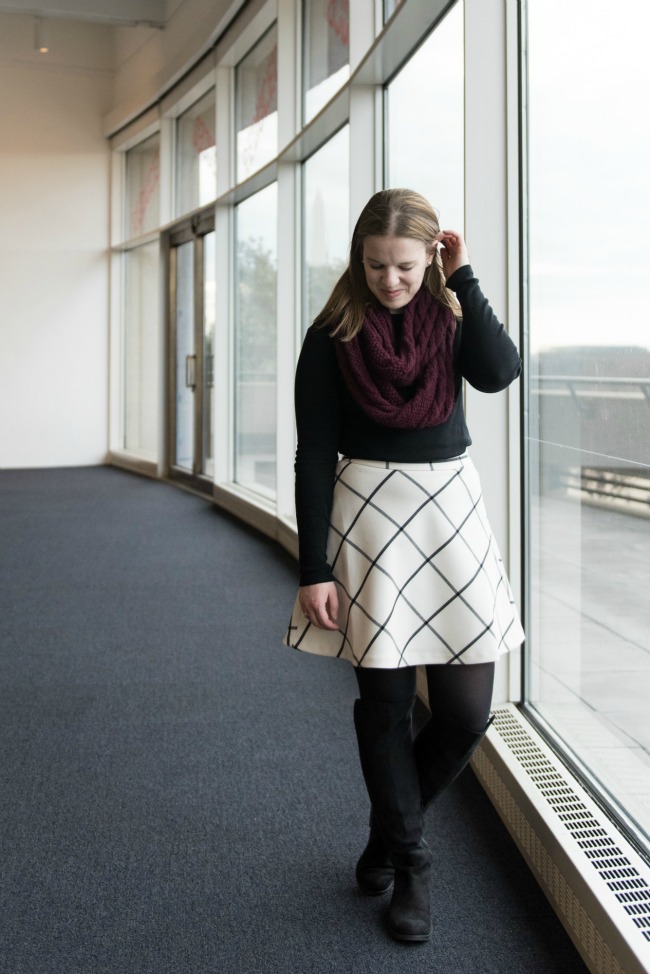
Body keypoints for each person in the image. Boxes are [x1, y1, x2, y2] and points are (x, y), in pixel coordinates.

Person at [284, 188, 524, 943]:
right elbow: (314, 453)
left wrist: (470, 278)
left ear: (432, 258)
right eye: (377, 264)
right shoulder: (332, 332)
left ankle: (390, 828)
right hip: (369, 517)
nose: (390, 280)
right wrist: (313, 566)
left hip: (450, 511)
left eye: (407, 267)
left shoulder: (452, 315)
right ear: (359, 258)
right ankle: (413, 862)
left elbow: (498, 372)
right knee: (385, 707)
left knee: (464, 714)